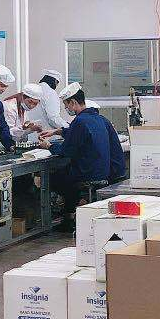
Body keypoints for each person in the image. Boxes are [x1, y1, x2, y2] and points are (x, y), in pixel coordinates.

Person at [40, 83, 124, 231]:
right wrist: (57, 131)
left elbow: (66, 151)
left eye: (66, 105)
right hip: (103, 172)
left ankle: (66, 216)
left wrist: (49, 146)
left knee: (53, 179)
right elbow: (78, 133)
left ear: (73, 102)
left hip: (86, 173)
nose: (66, 108)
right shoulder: (99, 119)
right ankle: (75, 208)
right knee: (66, 175)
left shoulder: (79, 121)